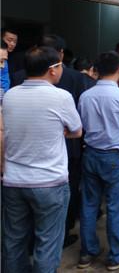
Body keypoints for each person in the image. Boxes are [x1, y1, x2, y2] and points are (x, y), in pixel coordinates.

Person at [1, 46, 82, 272]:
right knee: (47, 242)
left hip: (14, 181)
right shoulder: (61, 96)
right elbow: (77, 130)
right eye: (60, 65)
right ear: (52, 70)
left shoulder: (10, 95)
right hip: (49, 183)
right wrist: (58, 131)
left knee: (13, 240)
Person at [77, 51, 119, 270]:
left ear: (96, 70)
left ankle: (87, 253)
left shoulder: (85, 96)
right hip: (116, 156)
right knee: (116, 206)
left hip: (91, 153)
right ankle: (117, 255)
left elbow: (82, 125)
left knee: (89, 204)